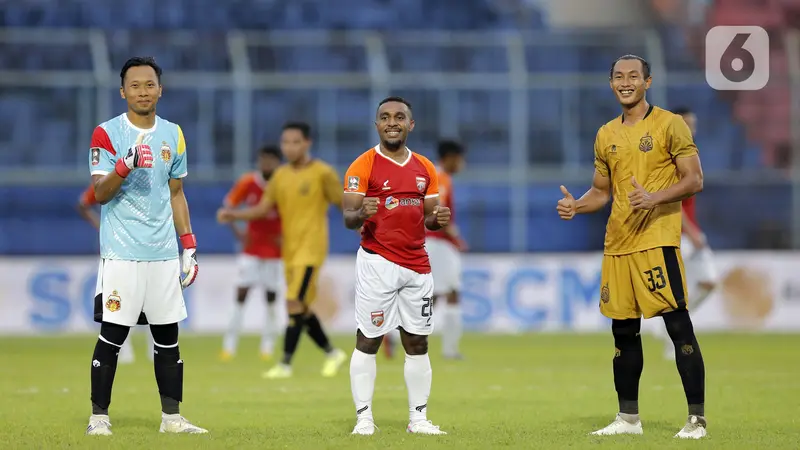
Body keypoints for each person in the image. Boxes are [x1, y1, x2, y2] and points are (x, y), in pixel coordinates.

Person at [556, 55, 707, 439]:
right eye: (619, 77)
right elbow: (601, 192)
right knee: (623, 334)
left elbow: (694, 180)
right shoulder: (605, 133)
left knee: (678, 326)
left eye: (633, 76)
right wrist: (577, 204)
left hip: (657, 240)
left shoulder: (670, 124)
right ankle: (628, 419)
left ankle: (696, 420)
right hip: (617, 245)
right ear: (611, 84)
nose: (626, 82)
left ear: (648, 82)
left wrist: (654, 198)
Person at [85, 56, 206, 436]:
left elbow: (177, 193)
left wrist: (188, 245)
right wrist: (125, 164)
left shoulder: (174, 133)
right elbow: (100, 194)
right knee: (113, 335)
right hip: (121, 254)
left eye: (149, 84)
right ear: (122, 91)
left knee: (167, 337)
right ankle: (98, 418)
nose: (142, 91)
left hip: (163, 254)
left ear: (160, 89)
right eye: (134, 85)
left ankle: (172, 419)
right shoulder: (106, 134)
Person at [343, 96, 450, 436]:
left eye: (399, 117)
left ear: (410, 124)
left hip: (418, 264)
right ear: (377, 124)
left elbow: (430, 218)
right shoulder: (363, 165)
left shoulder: (425, 168)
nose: (392, 122)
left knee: (418, 343)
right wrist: (361, 213)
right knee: (369, 339)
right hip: (378, 263)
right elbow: (348, 216)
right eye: (385, 117)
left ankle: (418, 419)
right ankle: (364, 418)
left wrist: (438, 219)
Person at [217, 122, 347, 379]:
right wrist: (235, 214)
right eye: (285, 142)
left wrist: (365, 228)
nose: (289, 147)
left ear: (307, 143)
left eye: (295, 142)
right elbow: (262, 209)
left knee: (292, 302)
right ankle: (332, 353)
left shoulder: (323, 173)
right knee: (301, 309)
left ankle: (285, 364)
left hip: (311, 250)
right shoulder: (281, 176)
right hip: (288, 251)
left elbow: (344, 204)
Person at [655, 106, 718, 359]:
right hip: (679, 234)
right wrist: (690, 232)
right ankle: (674, 336)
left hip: (691, 233)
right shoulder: (670, 159)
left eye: (693, 124)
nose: (692, 128)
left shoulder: (688, 154)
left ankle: (670, 327)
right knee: (685, 288)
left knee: (707, 283)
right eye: (687, 124)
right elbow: (672, 202)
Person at [77, 183, 155, 365]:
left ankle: (150, 351)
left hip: (142, 249)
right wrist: (102, 227)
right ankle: (124, 351)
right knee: (121, 301)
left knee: (148, 300)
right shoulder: (108, 181)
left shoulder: (143, 179)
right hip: (116, 251)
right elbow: (83, 204)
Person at [220, 145, 283, 362]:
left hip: (276, 252)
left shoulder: (282, 183)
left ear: (277, 162)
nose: (266, 164)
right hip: (252, 249)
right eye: (263, 159)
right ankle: (229, 346)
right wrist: (239, 232)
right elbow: (226, 209)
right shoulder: (248, 182)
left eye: (270, 160)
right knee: (241, 294)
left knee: (271, 299)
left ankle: (267, 347)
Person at [426, 139, 468, 359]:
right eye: (460, 159)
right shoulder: (441, 177)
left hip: (432, 242)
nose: (462, 164)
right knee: (451, 293)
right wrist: (454, 234)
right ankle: (450, 350)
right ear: (451, 157)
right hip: (438, 243)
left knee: (432, 295)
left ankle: (397, 335)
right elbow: (437, 211)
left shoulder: (436, 175)